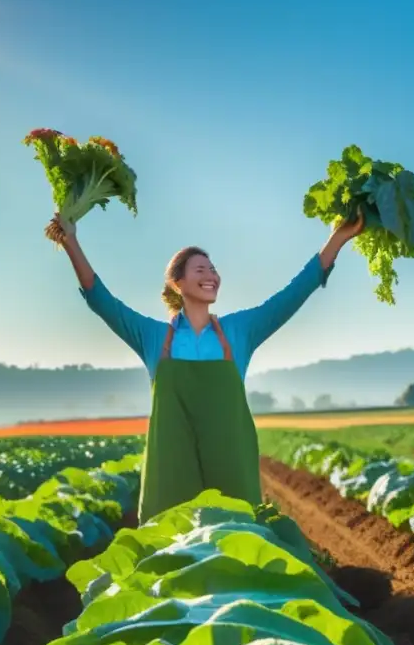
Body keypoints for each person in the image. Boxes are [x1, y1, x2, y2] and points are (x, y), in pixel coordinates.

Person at [47, 210, 364, 523]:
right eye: (200, 269)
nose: (211, 275)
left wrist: (337, 238)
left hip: (230, 467)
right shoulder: (153, 337)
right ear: (177, 283)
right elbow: (101, 299)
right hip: (172, 470)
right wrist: (71, 241)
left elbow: (292, 295)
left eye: (213, 269)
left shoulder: (240, 331)